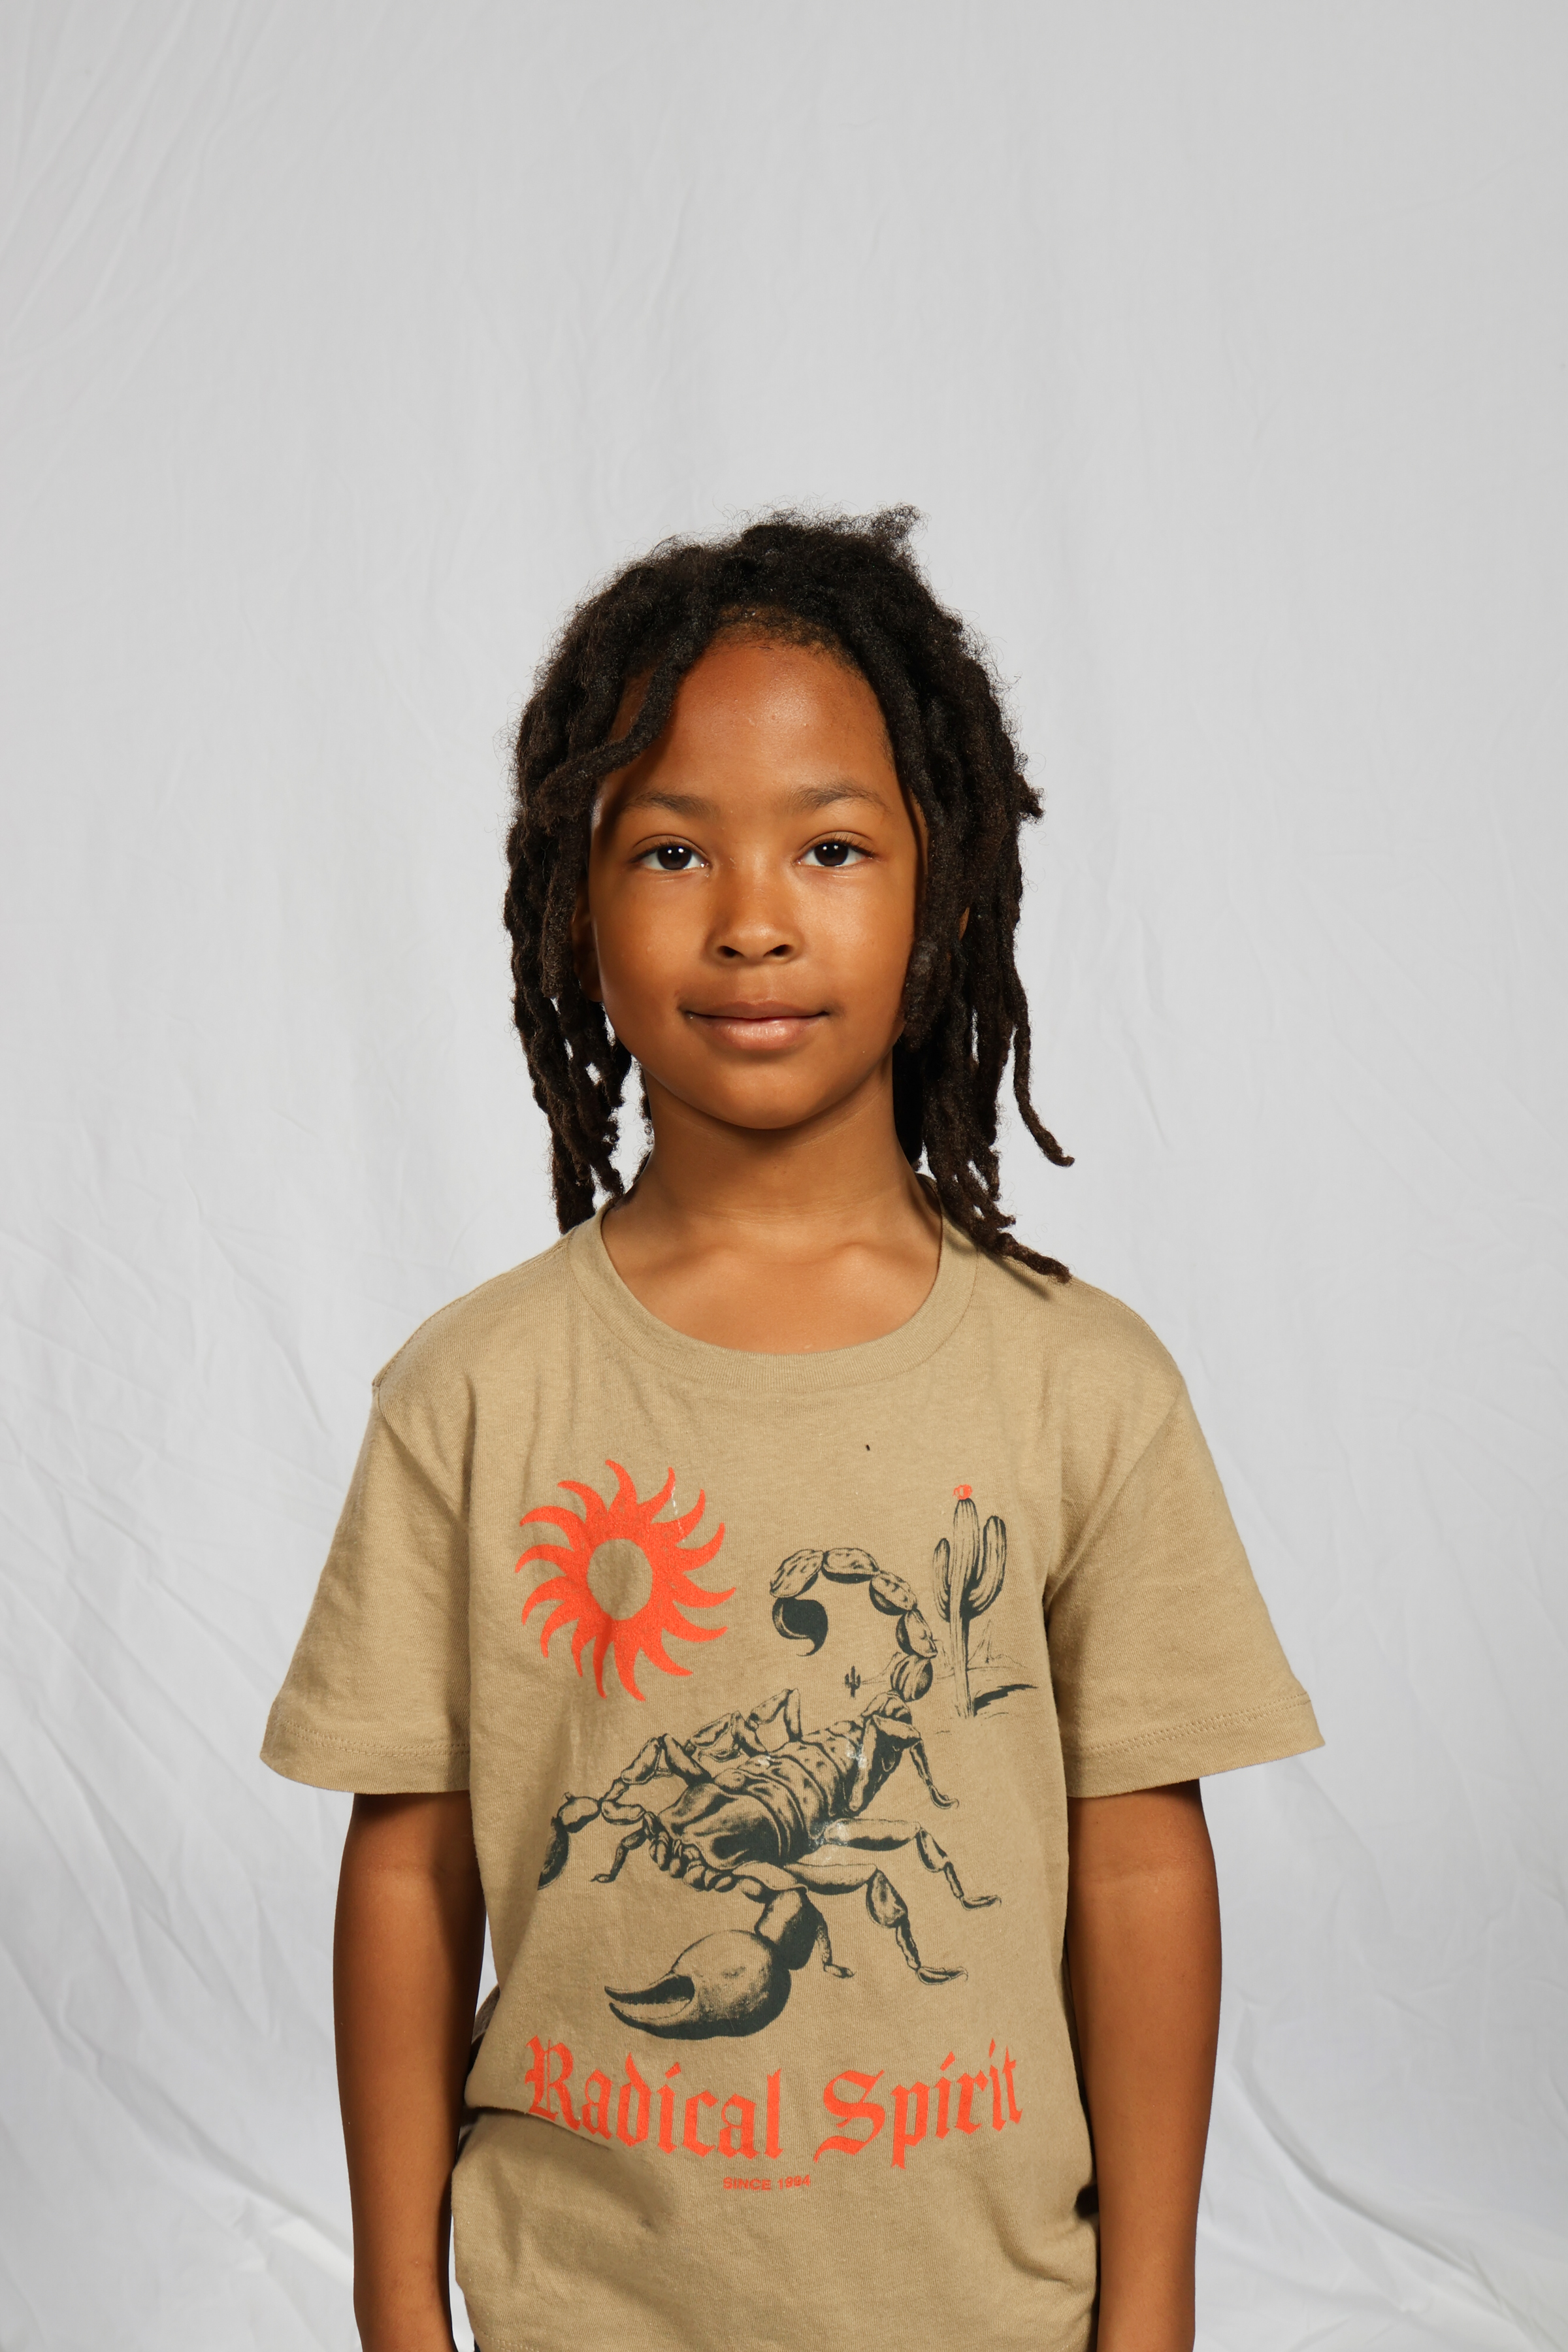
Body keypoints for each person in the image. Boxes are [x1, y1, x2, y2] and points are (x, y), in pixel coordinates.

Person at [262, 510, 1322, 2352]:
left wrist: (1150, 2310)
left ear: (948, 895)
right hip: (581, 2308)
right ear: (574, 912)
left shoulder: (1086, 1386)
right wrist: (396, 2312)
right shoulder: (475, 1389)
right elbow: (413, 1866)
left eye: (831, 847)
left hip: (994, 2313)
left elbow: (1142, 1860)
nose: (753, 917)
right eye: (673, 850)